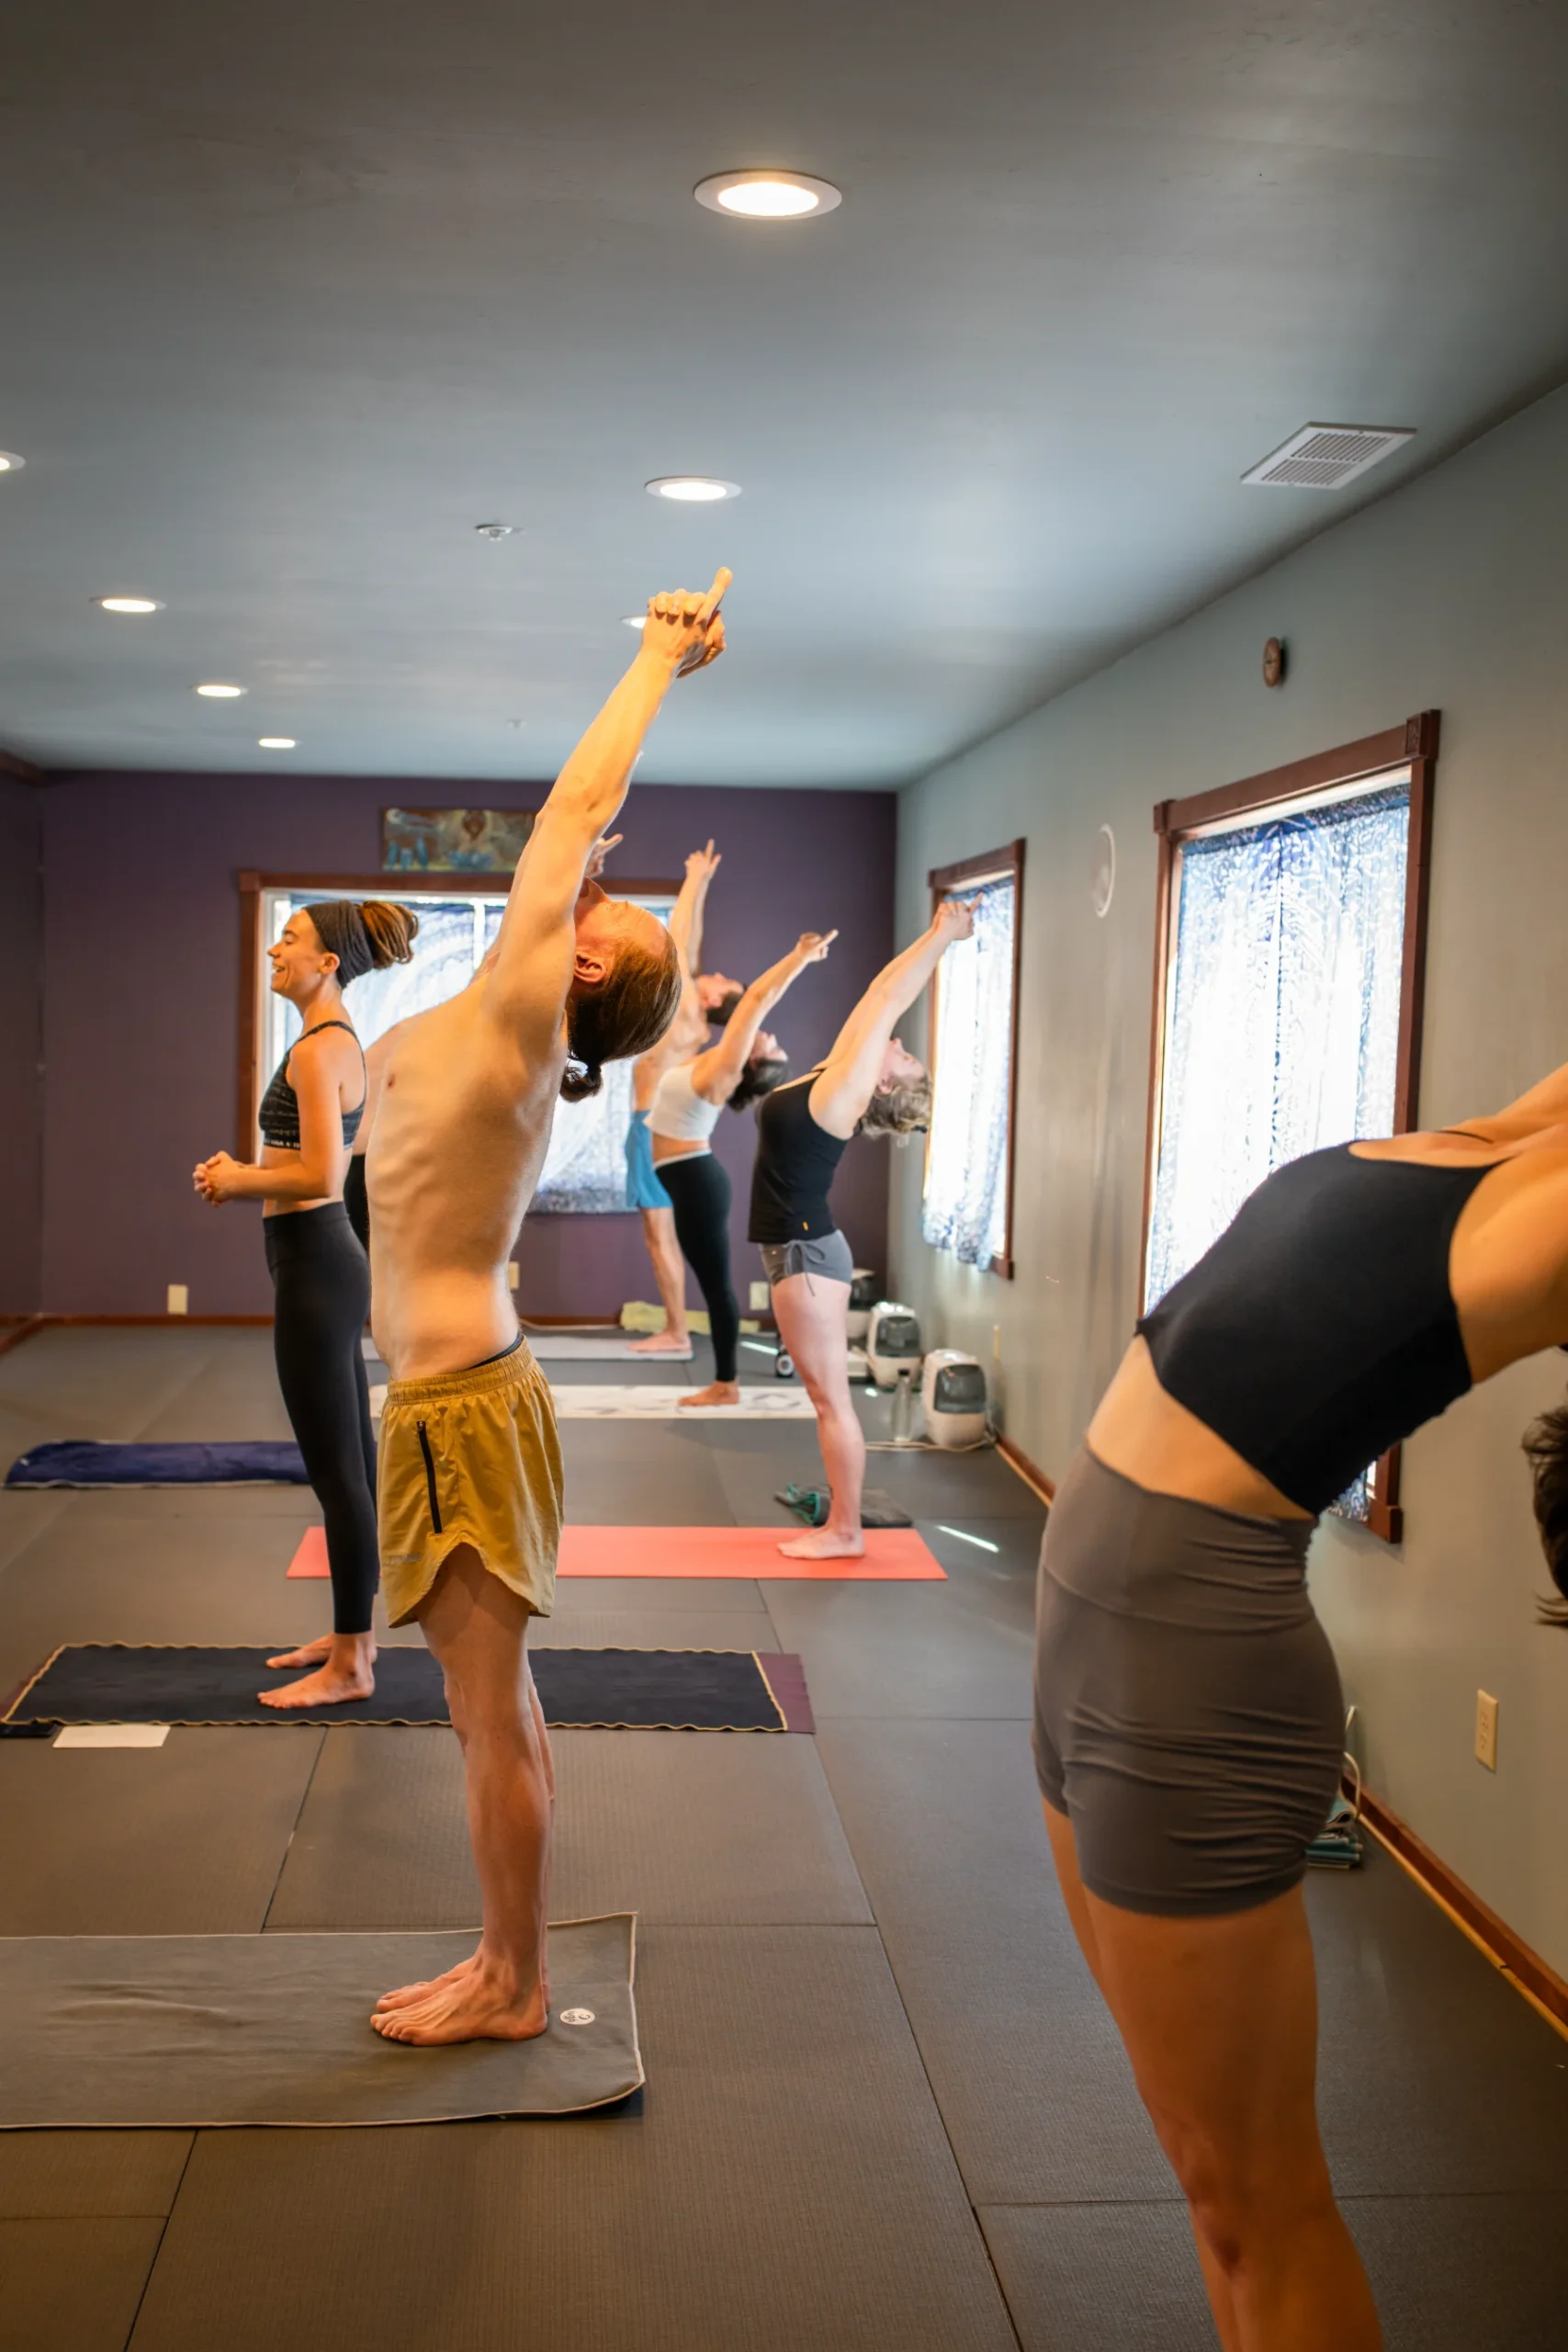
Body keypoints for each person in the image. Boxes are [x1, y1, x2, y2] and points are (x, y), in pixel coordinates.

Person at [1034, 1072, 1568, 2351]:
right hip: (1090, 1627)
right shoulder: (1510, 1144)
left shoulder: (1539, 1231)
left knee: (1252, 2203)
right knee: (1200, 2174)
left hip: (1189, 1672)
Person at [364, 572, 728, 2046]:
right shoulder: (496, 1020)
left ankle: (511, 1982)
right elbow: (572, 855)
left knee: (482, 1713)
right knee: (490, 1706)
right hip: (450, 1397)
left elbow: (569, 814)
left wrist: (652, 662)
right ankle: (505, 1958)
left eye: (610, 913)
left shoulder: (523, 1020)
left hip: (462, 1411)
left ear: (582, 968)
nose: (594, 892)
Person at [193, 899, 418, 1706]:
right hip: (313, 1258)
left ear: (327, 962)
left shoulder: (323, 1050)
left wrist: (235, 1177)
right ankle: (349, 1630)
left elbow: (323, 1177)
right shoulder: (326, 1042)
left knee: (336, 1472)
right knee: (347, 1463)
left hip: (317, 1259)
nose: (274, 951)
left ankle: (352, 1664)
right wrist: (250, 1176)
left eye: (289, 940)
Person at [749, 897, 975, 1555]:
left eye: (902, 1060)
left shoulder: (844, 1093)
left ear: (881, 1087)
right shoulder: (836, 1075)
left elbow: (886, 999)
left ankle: (844, 1531)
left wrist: (942, 938)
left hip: (806, 1256)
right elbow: (877, 998)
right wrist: (934, 936)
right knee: (824, 1397)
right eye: (901, 1050)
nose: (896, 1045)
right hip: (797, 1252)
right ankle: (842, 1525)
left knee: (828, 1400)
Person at [652, 928, 837, 1407]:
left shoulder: (726, 1071)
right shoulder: (718, 1056)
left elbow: (757, 999)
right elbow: (745, 1005)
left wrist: (798, 956)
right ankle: (724, 1381)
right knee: (712, 1281)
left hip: (697, 1180)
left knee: (716, 1285)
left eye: (770, 1047)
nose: (770, 1036)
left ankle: (726, 1385)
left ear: (752, 1065)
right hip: (686, 1177)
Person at [623, 842, 725, 1362]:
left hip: (649, 1125)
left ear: (712, 999)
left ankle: (676, 1332)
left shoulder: (688, 1013)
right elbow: (693, 943)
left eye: (721, 982)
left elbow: (680, 939)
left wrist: (693, 879)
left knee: (659, 1234)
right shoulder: (692, 1014)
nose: (715, 973)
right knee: (658, 1233)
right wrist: (700, 883)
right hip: (648, 1121)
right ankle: (676, 1328)